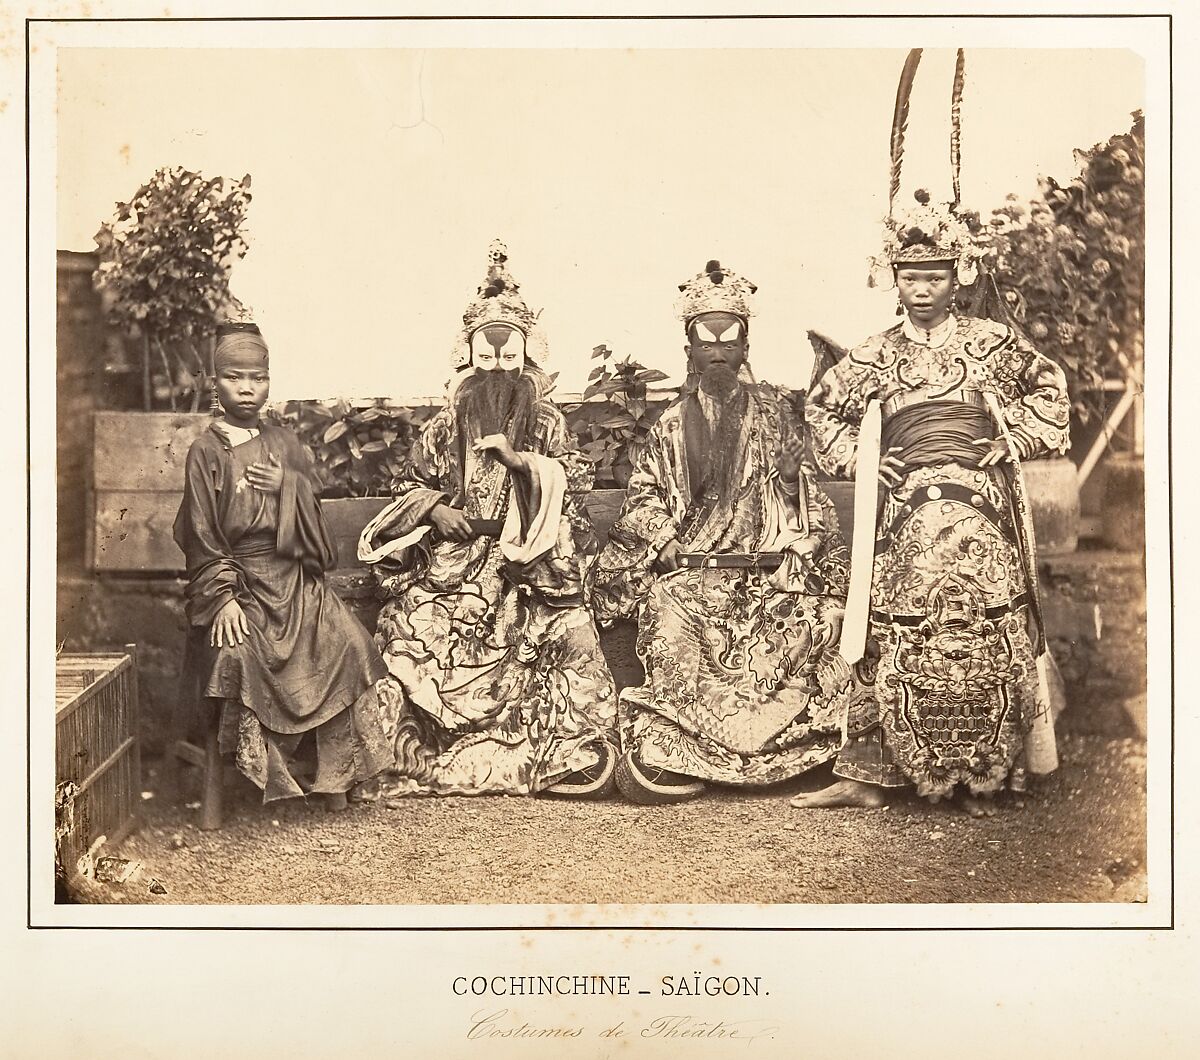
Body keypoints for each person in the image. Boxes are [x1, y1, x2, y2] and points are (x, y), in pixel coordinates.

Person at [794, 191, 1071, 816]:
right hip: (904, 511)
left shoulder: (993, 343)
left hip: (981, 508)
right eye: (911, 277)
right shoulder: (874, 352)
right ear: (894, 281)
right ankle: (871, 776)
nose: (922, 289)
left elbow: (1049, 386)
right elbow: (820, 409)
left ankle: (984, 775)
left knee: (983, 622)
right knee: (891, 623)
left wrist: (1015, 437)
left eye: (935, 277)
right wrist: (864, 459)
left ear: (958, 279)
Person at [589, 260, 870, 804]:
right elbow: (644, 494)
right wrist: (662, 538)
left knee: (821, 623)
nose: (717, 352)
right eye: (705, 342)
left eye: (729, 340)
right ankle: (692, 749)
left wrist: (790, 480)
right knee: (666, 613)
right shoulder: (671, 424)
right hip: (696, 582)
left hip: (770, 580)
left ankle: (781, 749)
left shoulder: (777, 414)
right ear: (689, 349)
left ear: (745, 346)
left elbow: (814, 518)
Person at [358, 241, 618, 798]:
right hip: (451, 563)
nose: (498, 367)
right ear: (468, 356)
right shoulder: (446, 421)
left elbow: (569, 483)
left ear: (526, 356)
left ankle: (544, 755)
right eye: (487, 354)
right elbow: (409, 485)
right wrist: (436, 508)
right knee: (411, 620)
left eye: (509, 355)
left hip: (526, 562)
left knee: (561, 629)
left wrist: (524, 466)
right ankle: (418, 756)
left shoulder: (548, 422)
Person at [173, 322, 392, 814]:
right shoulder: (205, 452)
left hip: (295, 579)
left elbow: (318, 539)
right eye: (234, 377)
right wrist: (222, 597)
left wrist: (289, 486)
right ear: (216, 383)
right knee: (239, 658)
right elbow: (202, 536)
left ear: (270, 381)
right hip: (241, 582)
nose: (247, 388)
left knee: (348, 642)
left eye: (258, 377)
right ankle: (259, 780)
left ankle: (334, 780)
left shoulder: (286, 444)